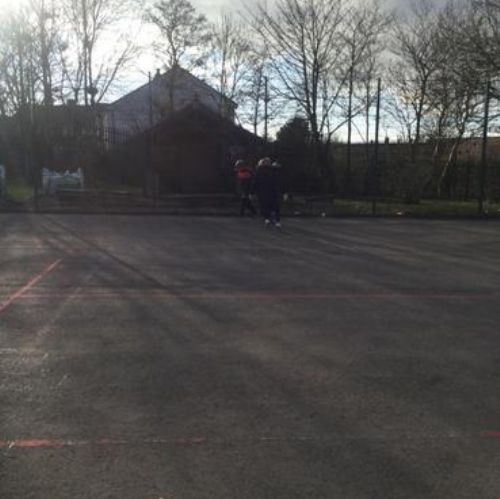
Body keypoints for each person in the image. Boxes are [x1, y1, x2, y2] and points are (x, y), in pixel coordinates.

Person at [254, 157, 282, 229]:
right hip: (272, 191)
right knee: (275, 206)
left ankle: (267, 219)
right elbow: (278, 181)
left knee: (265, 206)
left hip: (264, 192)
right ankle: (276, 221)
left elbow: (255, 182)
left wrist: (253, 191)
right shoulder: (273, 171)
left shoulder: (259, 171)